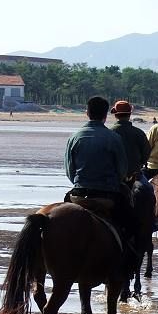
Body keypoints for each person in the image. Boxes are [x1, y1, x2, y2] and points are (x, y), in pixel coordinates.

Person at [64, 96, 135, 262]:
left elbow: (69, 170)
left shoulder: (74, 137)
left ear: (87, 113)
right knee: (130, 223)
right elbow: (122, 170)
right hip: (107, 196)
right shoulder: (114, 138)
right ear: (105, 115)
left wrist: (80, 182)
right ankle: (126, 261)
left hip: (79, 194)